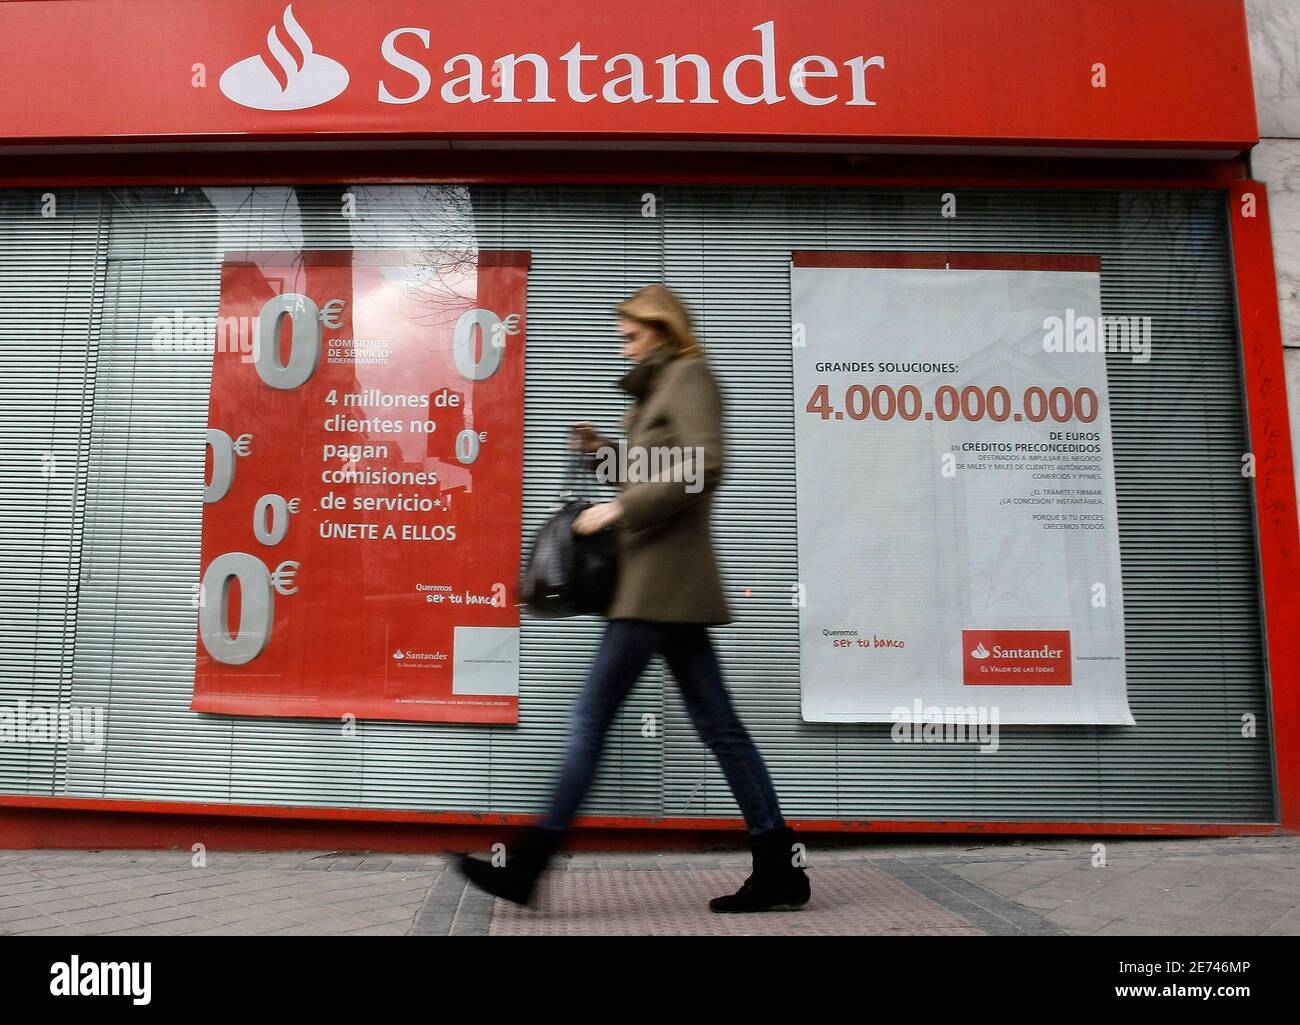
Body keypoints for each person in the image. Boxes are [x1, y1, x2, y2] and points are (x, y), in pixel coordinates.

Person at [455, 283, 810, 914]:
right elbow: (660, 469)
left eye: (630, 335)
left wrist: (620, 507)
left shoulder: (689, 376)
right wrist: (606, 457)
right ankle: (779, 866)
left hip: (657, 586)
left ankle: (530, 866)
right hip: (665, 588)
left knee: (591, 721)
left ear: (662, 330)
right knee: (721, 728)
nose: (623, 347)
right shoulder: (659, 389)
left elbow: (705, 465)